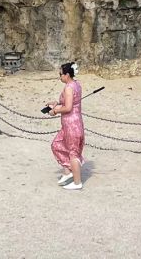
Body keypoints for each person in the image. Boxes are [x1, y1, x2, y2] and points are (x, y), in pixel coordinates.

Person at [45, 61, 85, 190]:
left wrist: (55, 110)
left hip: (71, 124)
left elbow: (68, 107)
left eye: (61, 74)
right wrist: (56, 103)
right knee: (57, 144)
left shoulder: (68, 88)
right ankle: (68, 172)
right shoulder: (76, 84)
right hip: (73, 123)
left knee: (73, 152)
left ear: (67, 75)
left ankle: (77, 182)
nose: (60, 76)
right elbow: (70, 102)